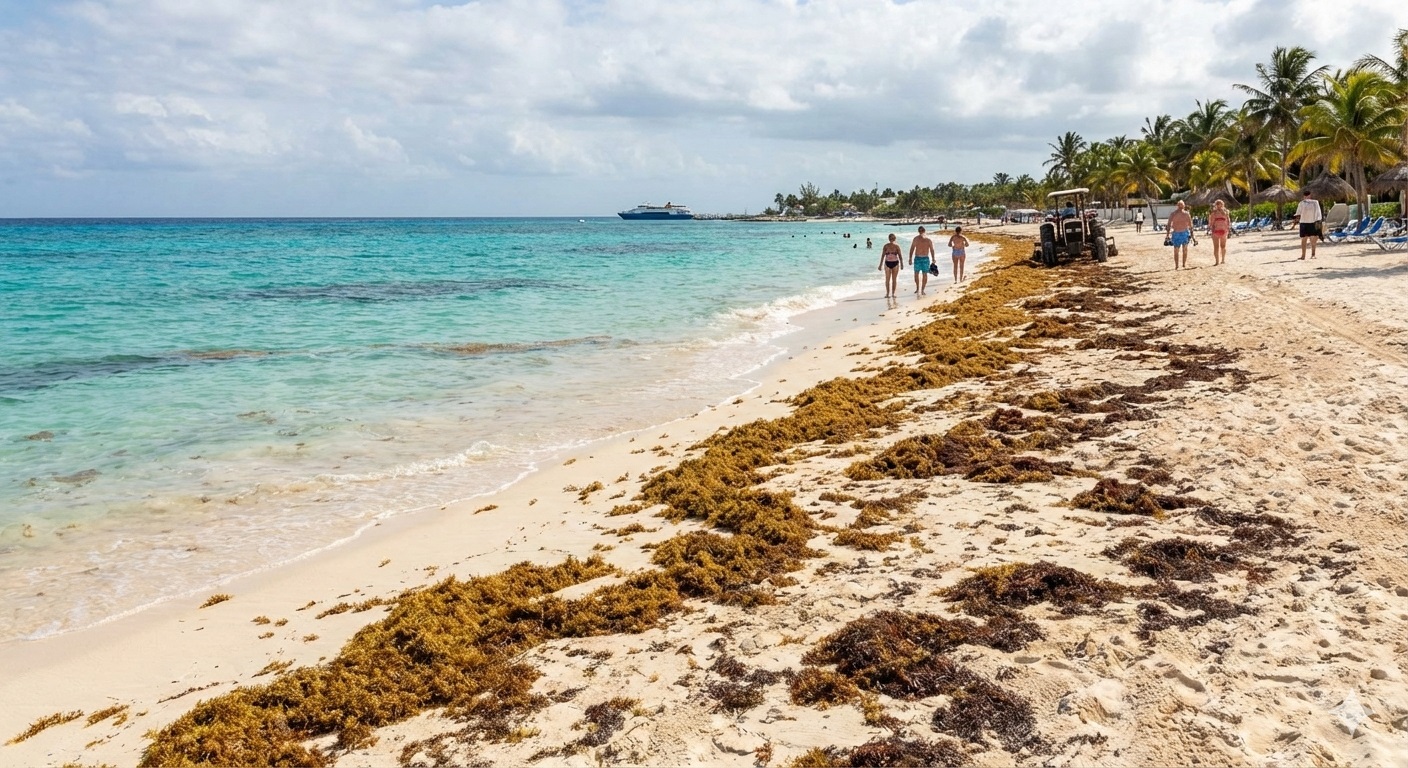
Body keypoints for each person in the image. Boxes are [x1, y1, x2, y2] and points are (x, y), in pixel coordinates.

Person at [1293, 189, 1322, 260]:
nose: (1306, 197)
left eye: (1307, 195)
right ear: (1304, 196)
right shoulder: (1301, 203)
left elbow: (1318, 212)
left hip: (1312, 222)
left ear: (1310, 196)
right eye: (1305, 196)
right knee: (1304, 239)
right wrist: (1295, 219)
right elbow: (1298, 213)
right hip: (1303, 223)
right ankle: (1303, 256)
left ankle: (1313, 254)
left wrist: (1318, 221)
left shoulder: (1315, 202)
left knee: (1313, 239)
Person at [1166, 200, 1194, 269]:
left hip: (1184, 233)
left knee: (1185, 249)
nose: (1180, 206)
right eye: (1179, 205)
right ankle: (1176, 265)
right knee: (1176, 250)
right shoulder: (1173, 214)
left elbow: (1190, 225)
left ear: (1184, 206)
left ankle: (1184, 264)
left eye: (1182, 205)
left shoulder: (1186, 214)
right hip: (1176, 233)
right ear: (1177, 206)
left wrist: (1192, 235)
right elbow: (1169, 224)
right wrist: (1167, 235)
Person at [908, 225, 935, 295]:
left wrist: (933, 258)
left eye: (921, 231)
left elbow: (932, 250)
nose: (921, 232)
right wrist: (910, 258)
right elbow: (912, 249)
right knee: (918, 274)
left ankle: (921, 289)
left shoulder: (927, 240)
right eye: (920, 231)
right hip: (919, 258)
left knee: (922, 274)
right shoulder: (917, 239)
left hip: (923, 258)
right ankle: (919, 289)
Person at [1207, 199, 1232, 266]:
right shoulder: (1213, 213)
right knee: (1216, 247)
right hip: (1216, 231)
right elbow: (1210, 222)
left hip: (1224, 231)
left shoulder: (1226, 212)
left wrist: (1228, 229)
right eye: (1218, 204)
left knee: (1223, 246)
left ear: (1222, 205)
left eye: (1220, 204)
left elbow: (1228, 221)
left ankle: (1223, 260)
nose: (1219, 206)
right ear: (1216, 205)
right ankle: (1217, 261)